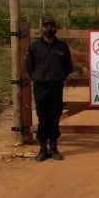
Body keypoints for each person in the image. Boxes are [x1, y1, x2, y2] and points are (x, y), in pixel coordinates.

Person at [25, 19, 72, 161]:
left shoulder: (62, 47)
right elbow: (29, 66)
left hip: (56, 87)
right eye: (46, 27)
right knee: (43, 118)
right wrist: (37, 77)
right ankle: (42, 150)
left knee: (54, 118)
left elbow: (68, 66)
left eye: (52, 26)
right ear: (42, 29)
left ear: (56, 29)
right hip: (41, 87)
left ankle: (54, 149)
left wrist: (60, 76)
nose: (49, 29)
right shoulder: (34, 47)